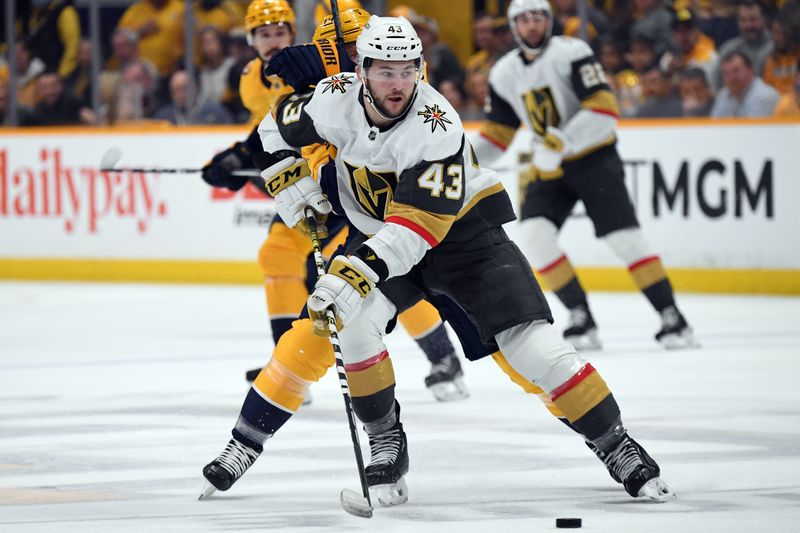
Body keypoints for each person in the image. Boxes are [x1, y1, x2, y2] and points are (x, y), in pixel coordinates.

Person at [199, 13, 674, 507]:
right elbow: (273, 128)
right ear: (360, 70)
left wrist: (354, 271)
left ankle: (615, 443)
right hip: (381, 236)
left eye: (409, 70)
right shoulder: (333, 97)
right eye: (385, 70)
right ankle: (383, 440)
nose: (399, 83)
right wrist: (285, 179)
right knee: (349, 325)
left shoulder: (436, 124)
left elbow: (416, 229)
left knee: (533, 350)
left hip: (461, 239)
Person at [200, 1, 469, 401]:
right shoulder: (254, 80)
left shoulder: (336, 64)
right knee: (280, 256)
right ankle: (285, 359)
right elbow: (276, 129)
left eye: (279, 32)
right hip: (320, 182)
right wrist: (246, 157)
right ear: (250, 39)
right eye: (263, 33)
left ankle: (443, 355)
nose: (273, 41)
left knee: (379, 273)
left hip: (359, 183)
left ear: (294, 34)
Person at [473, 0, 695, 351]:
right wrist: (460, 155)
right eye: (524, 20)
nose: (532, 26)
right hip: (551, 166)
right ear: (514, 27)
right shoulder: (502, 73)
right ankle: (580, 315)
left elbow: (605, 110)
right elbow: (497, 134)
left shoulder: (571, 52)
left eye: (538, 18)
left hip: (594, 158)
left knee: (625, 239)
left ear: (549, 21)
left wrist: (563, 140)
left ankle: (672, 317)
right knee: (535, 236)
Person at [711, 49, 779, 116]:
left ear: (750, 69)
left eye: (736, 71)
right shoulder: (723, 94)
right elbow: (714, 125)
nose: (731, 78)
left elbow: (753, 127)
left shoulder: (764, 96)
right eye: (726, 73)